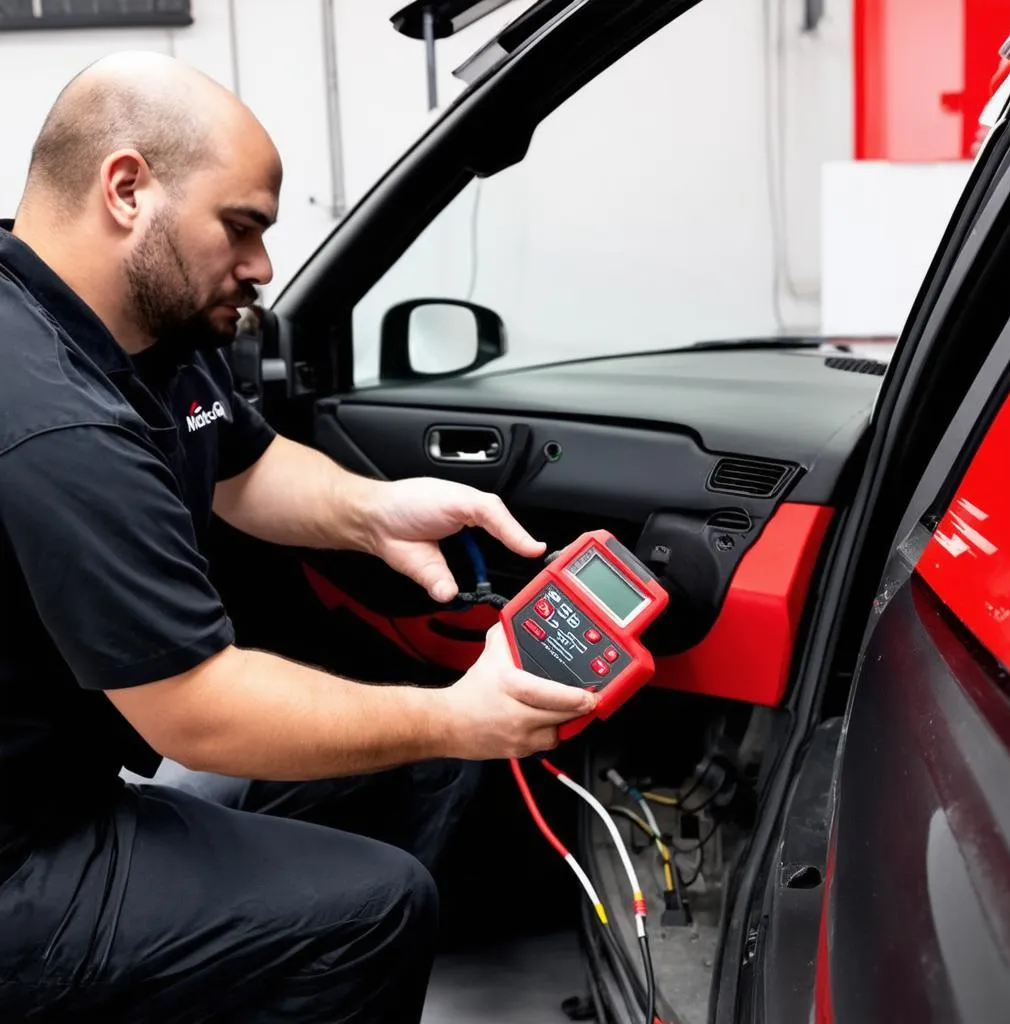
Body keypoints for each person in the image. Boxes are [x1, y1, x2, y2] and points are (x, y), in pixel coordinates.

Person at [0, 51, 596, 1023]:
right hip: (25, 857)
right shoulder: (52, 414)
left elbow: (244, 463)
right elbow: (194, 712)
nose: (264, 269)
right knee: (378, 908)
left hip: (75, 779)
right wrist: (462, 713)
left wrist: (374, 510)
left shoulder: (138, 326)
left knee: (427, 759)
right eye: (242, 229)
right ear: (126, 189)